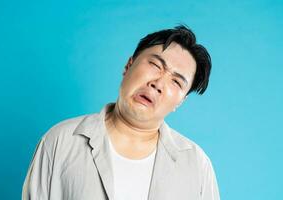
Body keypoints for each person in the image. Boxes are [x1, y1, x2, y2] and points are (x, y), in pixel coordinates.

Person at [22, 25, 220, 200]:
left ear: (181, 101)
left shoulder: (196, 165)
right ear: (128, 65)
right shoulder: (60, 141)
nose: (158, 84)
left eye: (176, 82)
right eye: (155, 65)